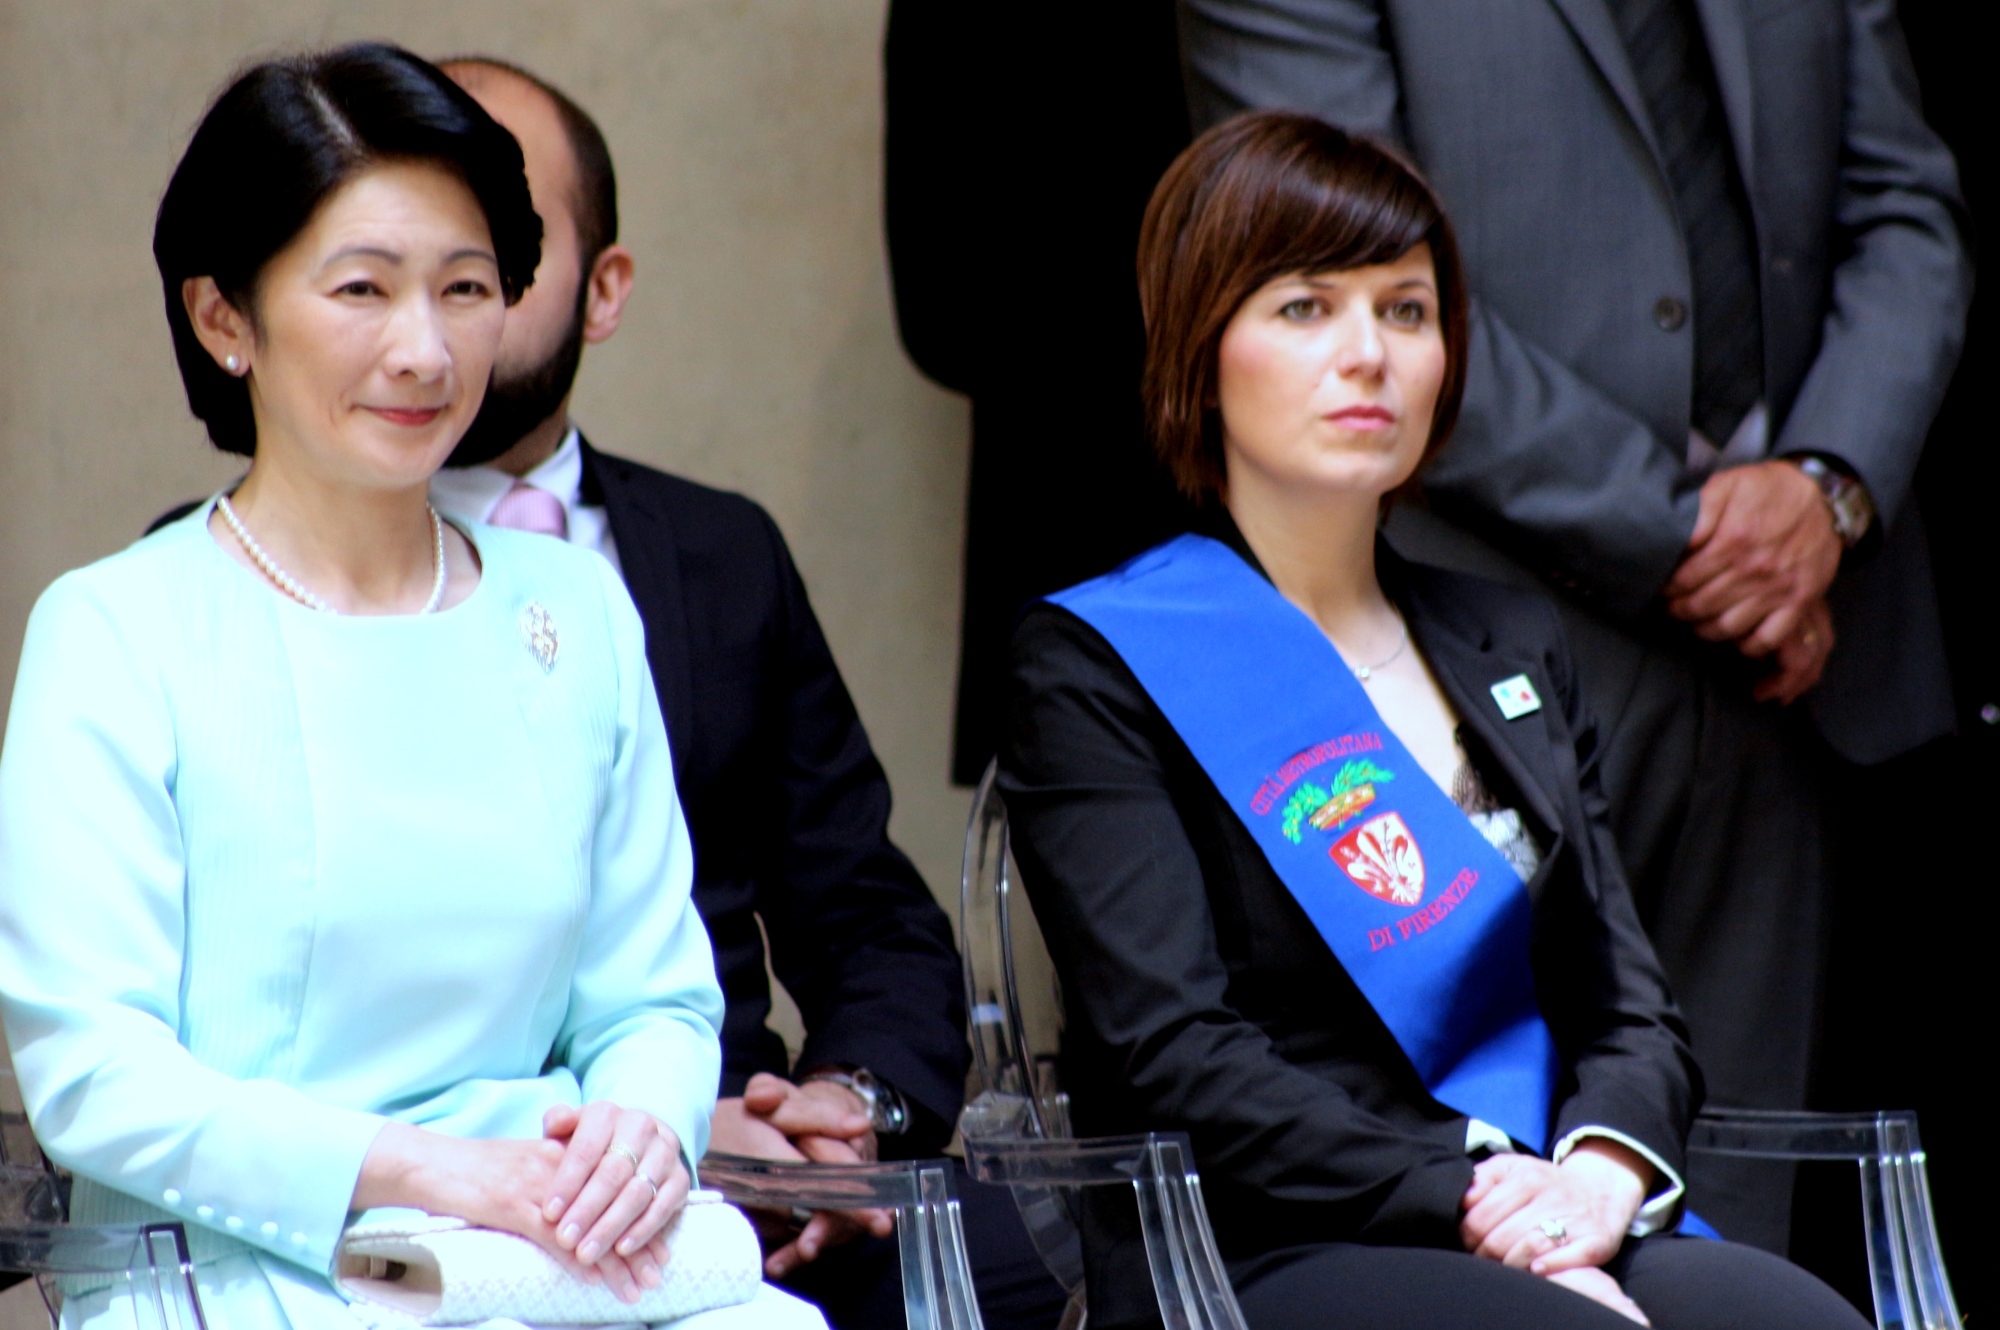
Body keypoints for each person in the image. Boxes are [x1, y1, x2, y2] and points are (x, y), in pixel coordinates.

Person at [1000, 113, 1870, 1329]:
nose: (1370, 355)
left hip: (1544, 1198)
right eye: (1305, 308)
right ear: (1201, 350)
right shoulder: (1103, 660)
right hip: (1268, 1235)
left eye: (1406, 311)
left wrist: (1597, 1179)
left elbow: (1628, 1006)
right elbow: (1169, 1049)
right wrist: (1469, 1197)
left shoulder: (1505, 641)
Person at [0, 44, 819, 1330]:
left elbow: (654, 995)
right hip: (235, 1260)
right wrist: (419, 1169)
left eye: (467, 287)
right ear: (225, 318)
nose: (424, 350)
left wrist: (636, 1131)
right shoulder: (117, 629)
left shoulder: (576, 612)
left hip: (542, 1245)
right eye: (363, 289)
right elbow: (96, 1070)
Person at [1174, 0, 1973, 1250]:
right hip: (1472, 627)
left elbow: (1906, 205)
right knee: (1485, 1217)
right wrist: (1698, 535)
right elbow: (1327, 268)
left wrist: (1823, 491)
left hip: (1802, 649)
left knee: (1739, 1230)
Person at [420, 57, 1067, 1330]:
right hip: (453, 1163)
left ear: (604, 290)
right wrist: (657, 1133)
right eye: (400, 265)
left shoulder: (720, 556)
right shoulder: (250, 571)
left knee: (1028, 1259)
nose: (450, 313)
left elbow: (867, 913)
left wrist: (842, 1113)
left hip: (752, 1155)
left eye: (497, 254)